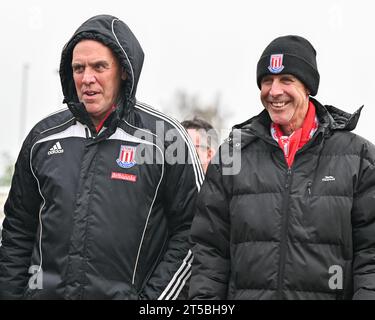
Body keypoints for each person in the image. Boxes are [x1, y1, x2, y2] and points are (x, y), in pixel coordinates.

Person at [0, 14, 204, 300]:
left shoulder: (165, 139)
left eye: (99, 67)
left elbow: (194, 231)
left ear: (123, 70)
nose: (87, 79)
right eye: (78, 68)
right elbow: (18, 231)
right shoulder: (42, 139)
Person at [189, 35, 375, 299]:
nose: (274, 91)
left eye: (286, 80)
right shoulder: (233, 155)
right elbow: (210, 252)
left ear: (308, 87)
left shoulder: (358, 157)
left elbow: (370, 256)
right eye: (267, 81)